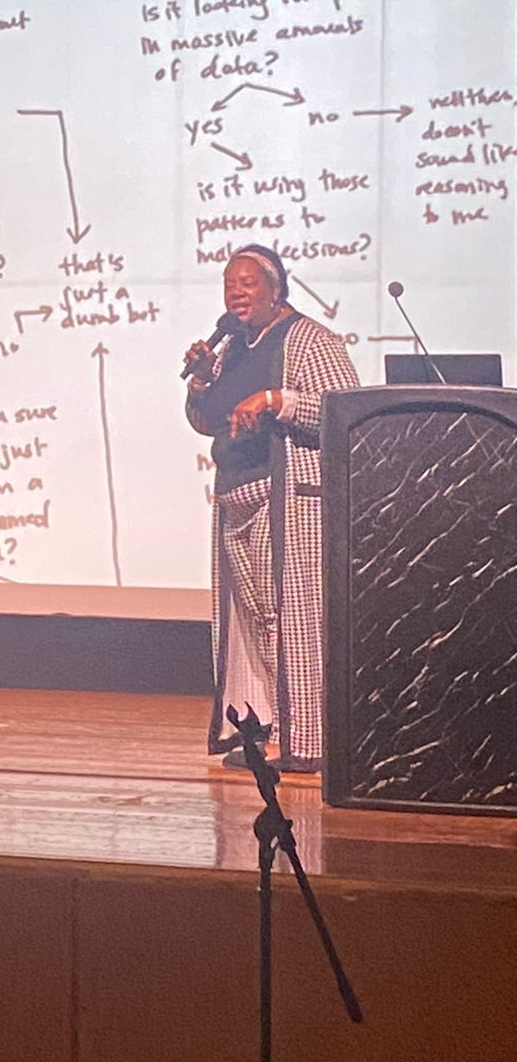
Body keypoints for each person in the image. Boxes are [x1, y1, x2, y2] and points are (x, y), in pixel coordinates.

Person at [182, 244, 359, 773]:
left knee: (294, 619)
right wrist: (201, 381)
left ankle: (309, 740)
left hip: (289, 501)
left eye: (248, 283)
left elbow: (343, 412)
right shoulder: (233, 348)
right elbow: (208, 421)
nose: (236, 292)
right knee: (258, 621)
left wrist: (277, 400)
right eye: (229, 284)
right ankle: (270, 729)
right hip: (236, 497)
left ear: (276, 289)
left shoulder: (310, 339)